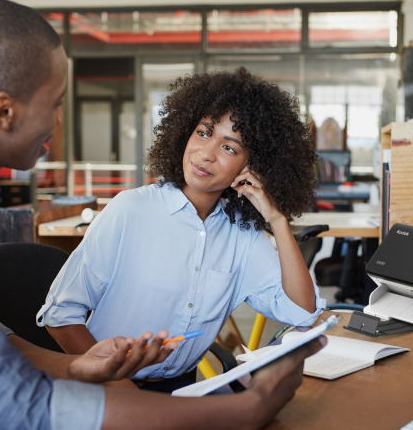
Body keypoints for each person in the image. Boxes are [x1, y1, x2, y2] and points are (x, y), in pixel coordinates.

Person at [0, 0, 325, 430]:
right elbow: (18, 404)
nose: (59, 120)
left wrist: (78, 366)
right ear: (4, 112)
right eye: (55, 103)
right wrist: (245, 411)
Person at [38, 68, 326, 392]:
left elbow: (302, 313)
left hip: (181, 391)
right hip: (106, 389)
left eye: (229, 148)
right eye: (203, 133)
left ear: (251, 167)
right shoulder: (130, 210)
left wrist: (277, 219)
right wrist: (116, 386)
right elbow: (60, 314)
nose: (206, 154)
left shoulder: (241, 235)